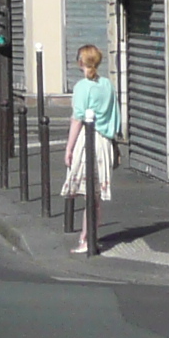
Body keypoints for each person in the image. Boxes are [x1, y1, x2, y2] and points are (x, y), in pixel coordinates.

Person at [63, 43, 122, 256]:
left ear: (81, 62)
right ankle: (89, 236)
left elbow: (77, 119)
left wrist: (69, 148)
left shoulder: (82, 87)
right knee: (95, 195)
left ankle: (86, 239)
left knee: (87, 193)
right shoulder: (107, 84)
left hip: (88, 141)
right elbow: (116, 115)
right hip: (105, 142)